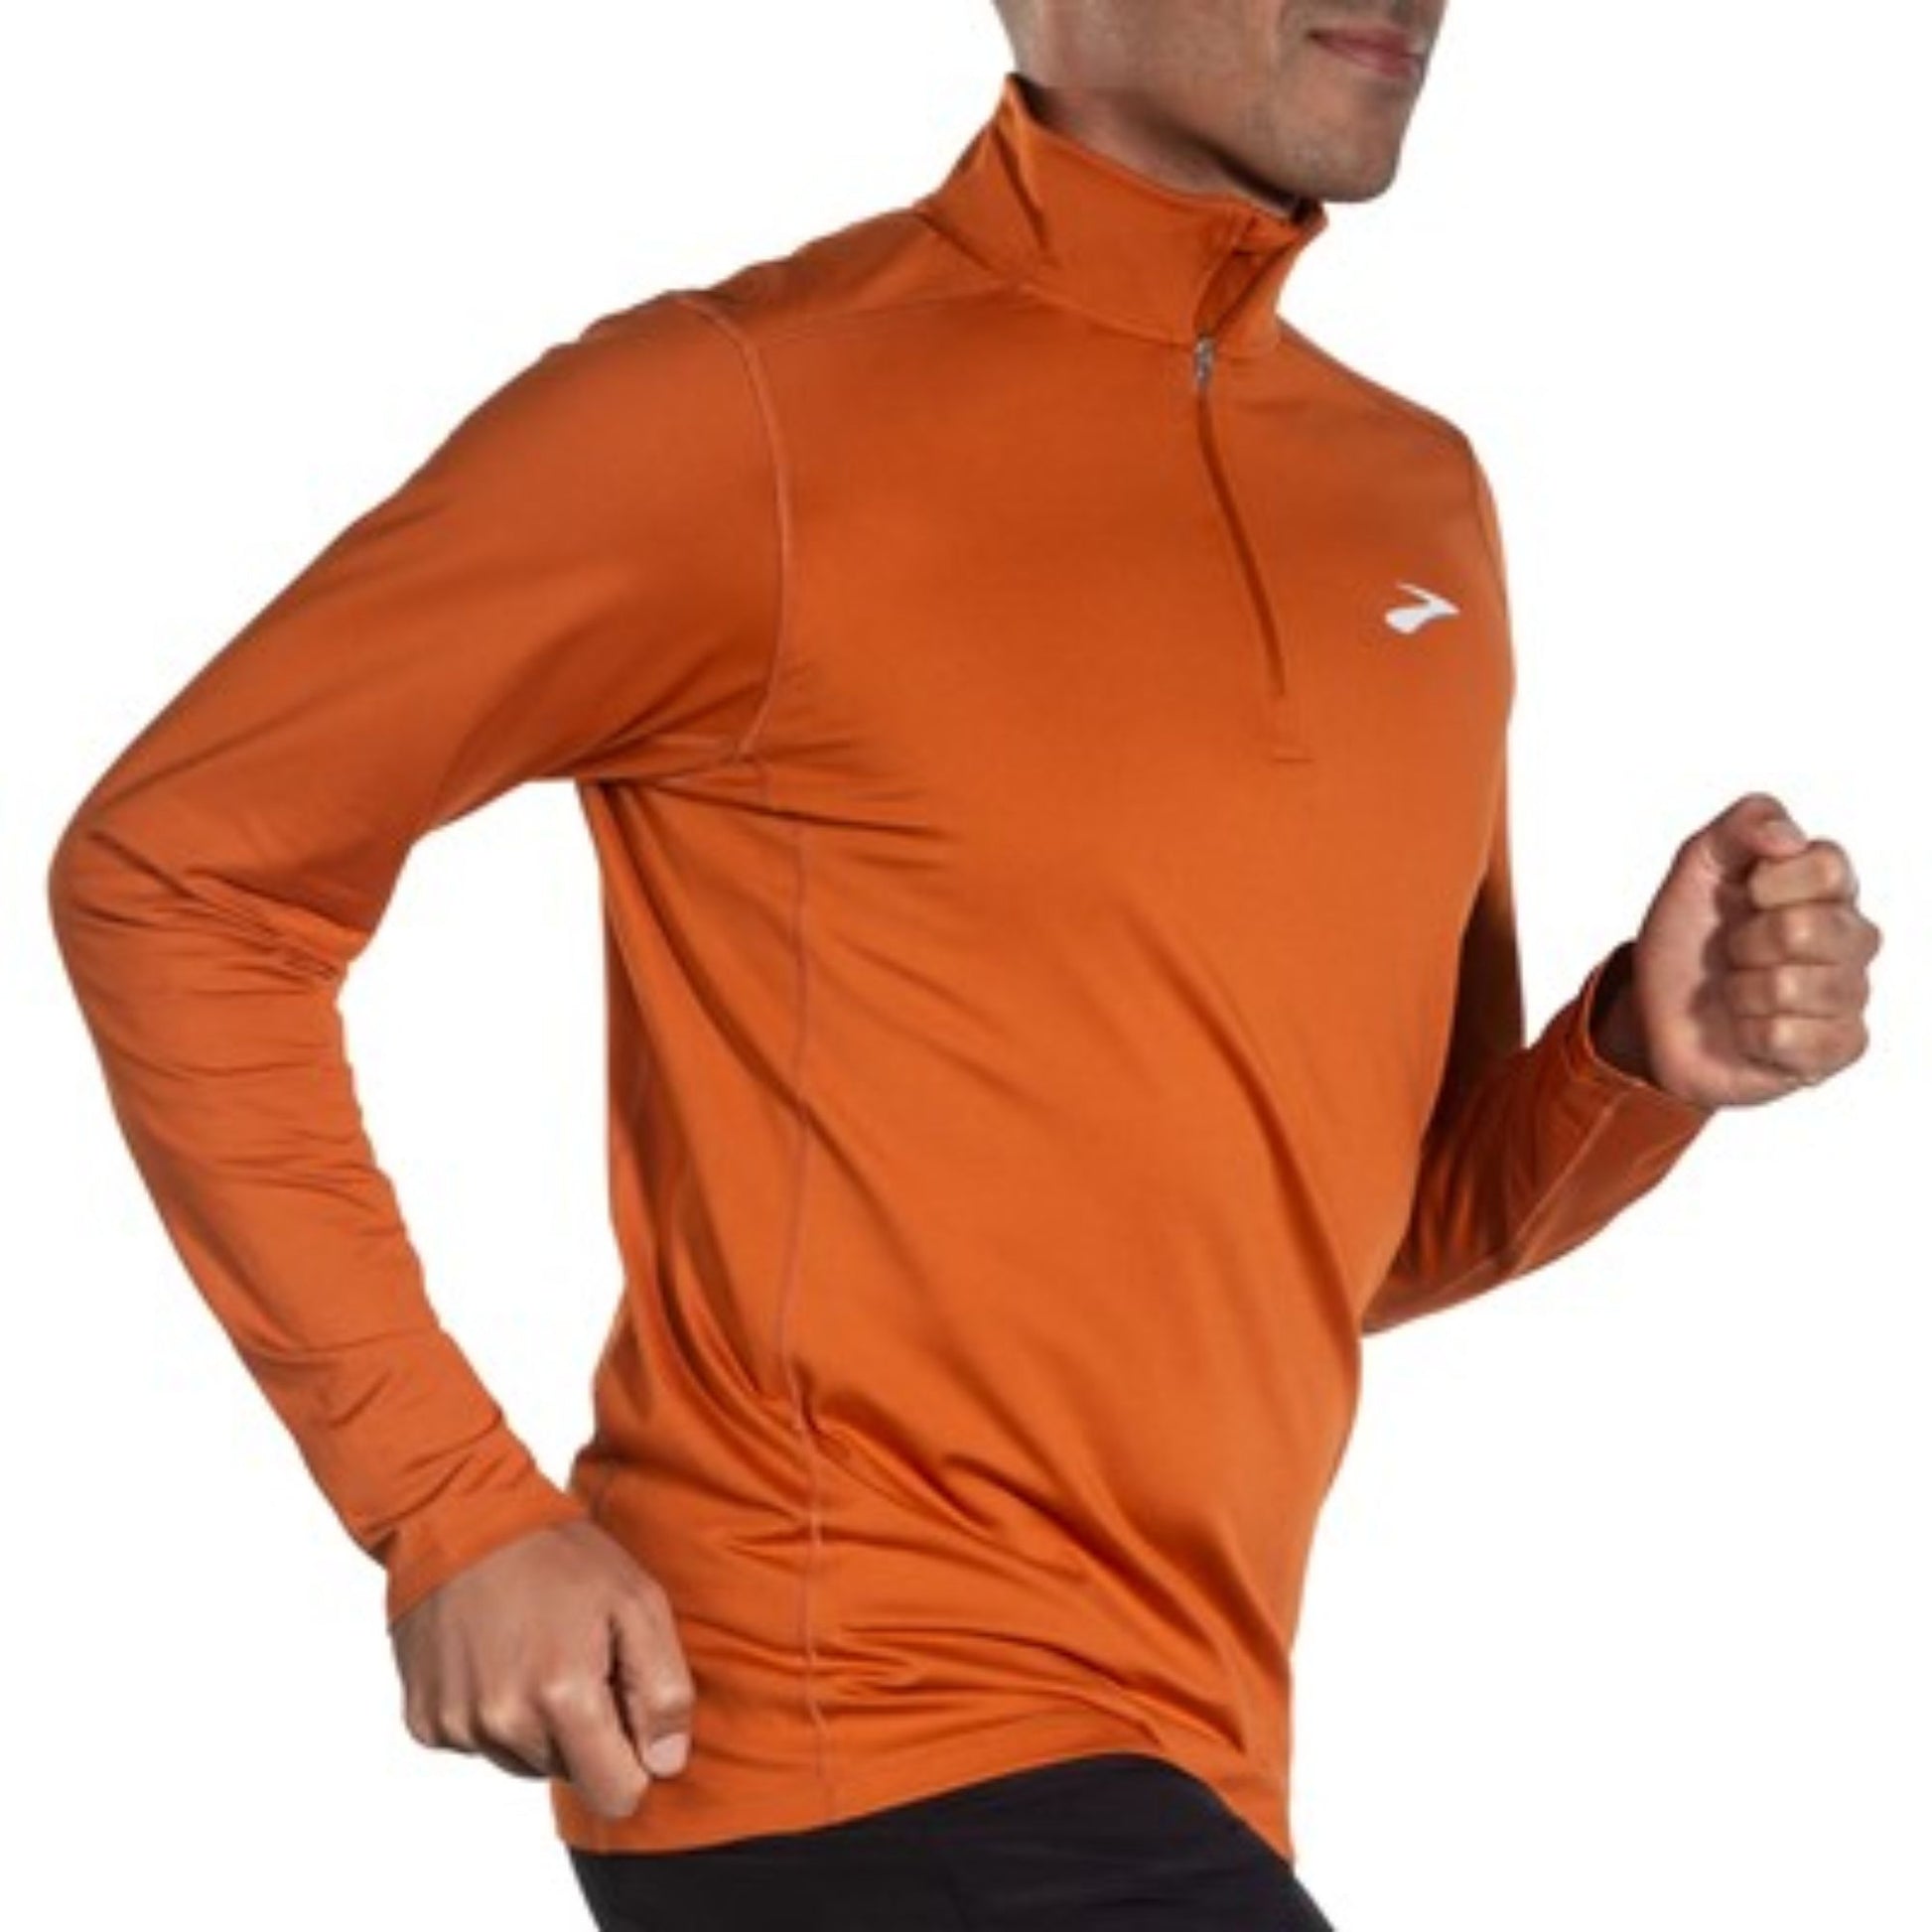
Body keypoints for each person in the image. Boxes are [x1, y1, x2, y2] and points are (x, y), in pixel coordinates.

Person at [48, 2, 1881, 1927]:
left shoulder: (1412, 497)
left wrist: (1633, 1061)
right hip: (838, 1724)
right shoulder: (739, 414)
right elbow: (180, 871)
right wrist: (449, 1508)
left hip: (1177, 1754)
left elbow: (1343, 1229)